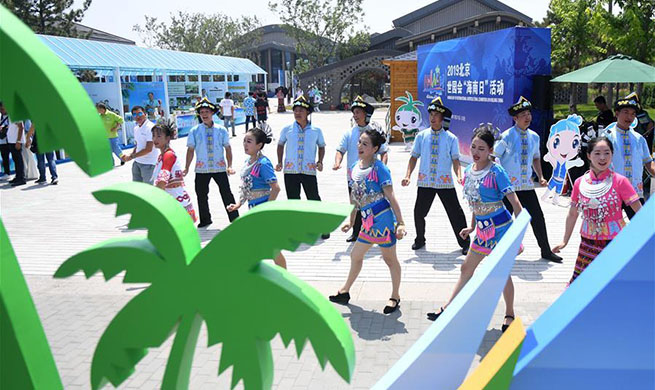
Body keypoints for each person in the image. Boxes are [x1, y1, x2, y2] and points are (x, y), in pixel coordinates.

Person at [428, 127, 523, 332]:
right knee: (466, 268)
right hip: (481, 230)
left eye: (481, 148)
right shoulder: (470, 171)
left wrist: (519, 235)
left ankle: (509, 313)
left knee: (501, 273)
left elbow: (514, 202)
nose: (476, 151)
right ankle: (448, 308)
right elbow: (474, 201)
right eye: (473, 147)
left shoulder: (497, 172)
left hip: (501, 229)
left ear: (490, 150)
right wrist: (471, 226)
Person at [329, 128, 406, 314]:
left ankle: (395, 296)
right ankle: (345, 290)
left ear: (375, 148)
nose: (360, 146)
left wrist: (401, 222)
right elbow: (355, 198)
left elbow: (391, 196)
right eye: (359, 142)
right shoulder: (355, 167)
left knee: (389, 259)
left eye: (365, 144)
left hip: (383, 220)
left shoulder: (380, 168)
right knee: (356, 255)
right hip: (367, 222)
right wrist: (351, 220)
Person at [553, 137, 641, 284]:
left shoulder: (620, 181)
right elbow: (573, 213)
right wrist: (564, 241)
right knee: (582, 284)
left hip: (615, 242)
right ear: (588, 155)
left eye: (607, 153)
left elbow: (640, 211)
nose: (602, 158)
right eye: (597, 153)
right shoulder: (579, 182)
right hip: (588, 242)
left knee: (613, 284)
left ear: (612, 155)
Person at [494, 96, 563, 263]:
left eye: (529, 113)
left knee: (537, 217)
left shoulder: (534, 136)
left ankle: (546, 251)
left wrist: (540, 176)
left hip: (526, 186)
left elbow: (536, 158)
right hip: (508, 189)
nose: (527, 117)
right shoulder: (506, 136)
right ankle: (496, 252)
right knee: (503, 220)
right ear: (515, 118)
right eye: (523, 114)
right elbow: (494, 157)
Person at [401, 97, 470, 254]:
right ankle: (420, 239)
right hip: (425, 182)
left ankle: (465, 242)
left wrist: (459, 175)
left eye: (436, 115)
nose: (432, 118)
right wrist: (408, 176)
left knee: (456, 213)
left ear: (442, 117)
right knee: (419, 212)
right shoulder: (422, 136)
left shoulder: (451, 138)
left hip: (444, 182)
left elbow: (456, 160)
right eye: (431, 114)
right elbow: (413, 157)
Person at [226, 127, 286, 268]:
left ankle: (284, 279)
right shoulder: (249, 162)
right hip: (253, 210)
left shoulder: (263, 163)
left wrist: (265, 209)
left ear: (259, 145)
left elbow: (276, 188)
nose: (245, 144)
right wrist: (238, 204)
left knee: (273, 249)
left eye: (249, 141)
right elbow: (247, 187)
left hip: (263, 213)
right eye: (244, 141)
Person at [334, 96, 389, 242]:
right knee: (355, 204)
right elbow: (340, 150)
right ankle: (356, 232)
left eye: (358, 112)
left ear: (366, 114)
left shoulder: (374, 133)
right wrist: (337, 162)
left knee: (372, 203)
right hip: (354, 177)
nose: (355, 115)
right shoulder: (349, 133)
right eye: (354, 112)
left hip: (372, 176)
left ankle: (375, 230)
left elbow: (384, 152)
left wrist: (382, 167)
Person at [276, 96, 330, 239]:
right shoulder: (287, 129)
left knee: (313, 199)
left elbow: (322, 146)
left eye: (301, 110)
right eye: (295, 110)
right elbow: (280, 144)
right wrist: (280, 162)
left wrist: (320, 161)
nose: (297, 113)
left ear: (308, 113)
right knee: (293, 201)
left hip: (308, 170)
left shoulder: (316, 130)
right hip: (290, 170)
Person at [185, 97, 239, 227]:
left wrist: (230, 165)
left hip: (219, 167)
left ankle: (234, 218)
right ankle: (205, 219)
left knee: (226, 192)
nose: (204, 114)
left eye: (206, 112)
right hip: (201, 168)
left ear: (212, 113)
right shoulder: (194, 131)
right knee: (201, 194)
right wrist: (187, 168)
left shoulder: (221, 130)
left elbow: (228, 148)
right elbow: (190, 150)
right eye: (202, 112)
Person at [602, 93, 655, 219]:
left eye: (633, 114)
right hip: (613, 191)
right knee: (610, 228)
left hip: (635, 192)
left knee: (640, 227)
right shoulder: (607, 137)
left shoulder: (639, 139)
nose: (629, 117)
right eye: (625, 112)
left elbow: (649, 163)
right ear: (616, 113)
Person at [151, 119, 197, 222]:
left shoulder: (168, 155)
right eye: (153, 136)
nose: (155, 139)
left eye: (159, 136)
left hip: (173, 199)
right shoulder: (162, 155)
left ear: (167, 138)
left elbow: (163, 180)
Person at [123, 106, 158, 184]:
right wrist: (131, 155)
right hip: (137, 162)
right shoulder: (136, 128)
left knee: (148, 189)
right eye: (135, 115)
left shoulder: (150, 127)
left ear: (145, 114)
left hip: (149, 164)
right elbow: (138, 144)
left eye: (140, 113)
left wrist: (132, 156)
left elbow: (149, 149)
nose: (138, 116)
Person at [0, 102, 26, 186]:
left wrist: (18, 141)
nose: (2, 110)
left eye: (3, 108)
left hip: (15, 141)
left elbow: (21, 127)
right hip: (11, 141)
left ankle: (21, 178)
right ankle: (18, 176)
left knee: (18, 160)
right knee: (15, 160)